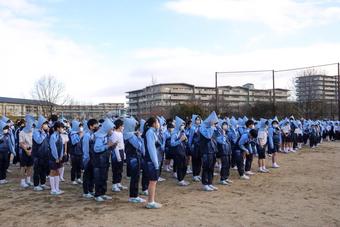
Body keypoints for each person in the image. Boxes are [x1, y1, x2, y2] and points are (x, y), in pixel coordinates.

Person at [123, 117, 146, 203]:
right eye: (134, 125)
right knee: (135, 177)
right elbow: (139, 146)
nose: (136, 127)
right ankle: (134, 196)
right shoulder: (131, 136)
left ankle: (134, 195)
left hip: (131, 158)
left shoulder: (126, 134)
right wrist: (140, 137)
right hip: (134, 158)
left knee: (135, 177)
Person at [93, 118, 115, 202]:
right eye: (111, 129)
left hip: (104, 161)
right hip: (98, 161)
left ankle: (103, 193)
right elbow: (96, 149)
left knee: (104, 177)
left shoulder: (106, 136)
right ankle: (97, 194)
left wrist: (112, 145)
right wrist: (107, 146)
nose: (112, 130)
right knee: (99, 178)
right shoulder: (99, 137)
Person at [143, 117, 162, 209]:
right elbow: (152, 149)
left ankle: (151, 201)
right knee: (152, 181)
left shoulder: (152, 132)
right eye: (158, 122)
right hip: (151, 161)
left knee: (153, 181)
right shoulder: (150, 133)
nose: (159, 124)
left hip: (152, 160)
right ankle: (150, 202)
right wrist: (156, 163)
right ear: (154, 124)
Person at [199, 111, 219, 191]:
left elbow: (216, 136)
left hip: (212, 150)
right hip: (205, 151)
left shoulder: (213, 127)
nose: (215, 124)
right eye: (214, 122)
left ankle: (210, 183)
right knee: (206, 167)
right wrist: (211, 127)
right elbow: (208, 136)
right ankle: (205, 184)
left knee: (211, 168)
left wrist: (216, 128)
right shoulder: (202, 127)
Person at [32, 115, 50, 191]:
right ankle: (36, 185)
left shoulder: (46, 132)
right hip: (37, 155)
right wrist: (43, 133)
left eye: (47, 123)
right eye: (45, 124)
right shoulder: (36, 131)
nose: (46, 125)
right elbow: (38, 141)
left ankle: (43, 183)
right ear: (41, 124)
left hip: (45, 154)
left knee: (43, 170)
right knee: (37, 170)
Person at [170, 116, 190, 186]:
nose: (183, 126)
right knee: (180, 166)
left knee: (184, 165)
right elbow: (172, 144)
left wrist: (185, 140)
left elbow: (185, 141)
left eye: (183, 125)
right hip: (177, 152)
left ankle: (182, 179)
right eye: (181, 125)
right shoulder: (174, 133)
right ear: (178, 125)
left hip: (183, 151)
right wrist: (180, 140)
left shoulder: (182, 132)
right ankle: (180, 180)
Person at [82, 118, 98, 199]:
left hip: (94, 158)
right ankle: (85, 192)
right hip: (88, 158)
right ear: (91, 126)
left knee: (92, 176)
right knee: (87, 176)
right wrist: (86, 159)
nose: (97, 126)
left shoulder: (94, 135)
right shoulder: (87, 136)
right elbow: (85, 149)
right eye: (95, 125)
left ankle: (91, 190)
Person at [110, 119, 128, 192]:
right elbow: (115, 146)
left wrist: (123, 153)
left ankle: (118, 183)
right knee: (116, 169)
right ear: (119, 126)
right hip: (116, 153)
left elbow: (122, 144)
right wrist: (118, 156)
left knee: (120, 169)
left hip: (121, 151)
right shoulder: (114, 134)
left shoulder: (120, 133)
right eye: (122, 126)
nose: (123, 127)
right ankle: (114, 185)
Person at [49, 121, 65, 195]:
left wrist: (61, 156)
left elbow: (62, 147)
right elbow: (53, 148)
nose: (62, 129)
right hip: (53, 157)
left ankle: (57, 188)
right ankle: (53, 189)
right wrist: (56, 157)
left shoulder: (59, 136)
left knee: (57, 172)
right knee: (53, 172)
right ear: (57, 128)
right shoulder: (53, 136)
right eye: (61, 128)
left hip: (59, 157)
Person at [19, 114, 35, 188]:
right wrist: (26, 150)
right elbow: (21, 142)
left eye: (32, 123)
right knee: (23, 166)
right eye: (29, 123)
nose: (31, 125)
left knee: (30, 166)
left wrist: (31, 150)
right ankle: (22, 182)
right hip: (24, 151)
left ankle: (28, 180)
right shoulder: (22, 132)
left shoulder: (33, 131)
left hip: (32, 150)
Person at [216, 120, 233, 185]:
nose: (225, 126)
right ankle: (222, 179)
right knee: (224, 165)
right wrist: (223, 135)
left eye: (226, 125)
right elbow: (222, 142)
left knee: (228, 165)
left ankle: (226, 177)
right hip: (223, 152)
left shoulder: (227, 133)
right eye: (224, 125)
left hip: (228, 151)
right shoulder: (218, 134)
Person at [69, 120, 84, 185]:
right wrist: (80, 136)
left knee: (79, 166)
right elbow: (73, 142)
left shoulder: (79, 133)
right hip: (74, 153)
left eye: (81, 126)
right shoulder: (72, 133)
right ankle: (73, 179)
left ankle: (78, 178)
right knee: (74, 167)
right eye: (79, 126)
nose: (80, 128)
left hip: (80, 152)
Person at [188, 115, 202, 182]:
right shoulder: (193, 128)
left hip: (200, 147)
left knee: (199, 161)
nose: (198, 121)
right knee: (194, 161)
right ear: (194, 121)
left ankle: (198, 174)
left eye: (199, 120)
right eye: (197, 120)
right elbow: (190, 138)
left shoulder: (201, 127)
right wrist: (190, 146)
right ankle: (194, 175)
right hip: (194, 147)